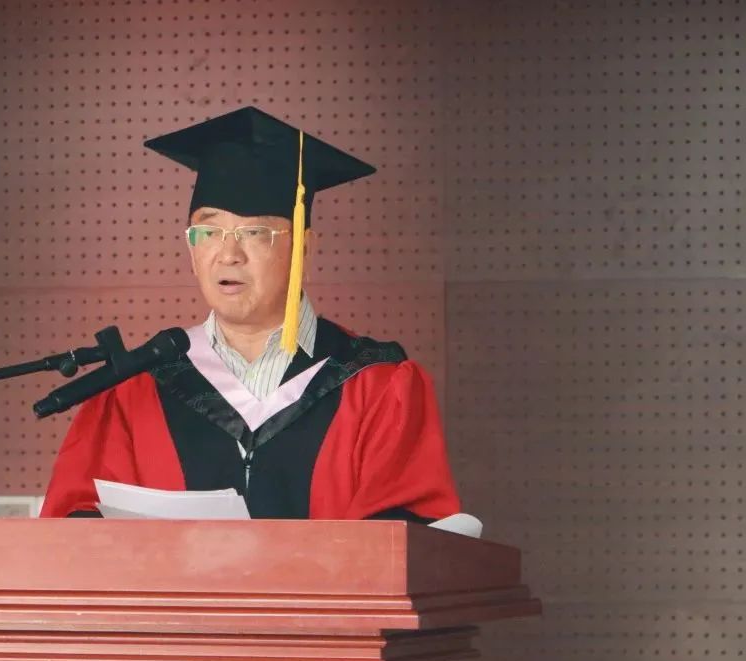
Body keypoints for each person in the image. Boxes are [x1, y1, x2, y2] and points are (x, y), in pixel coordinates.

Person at [40, 106, 460, 521]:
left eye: (255, 232)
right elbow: (73, 533)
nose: (228, 254)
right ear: (191, 249)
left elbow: (403, 545)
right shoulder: (135, 389)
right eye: (209, 231)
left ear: (304, 248)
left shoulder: (377, 383)